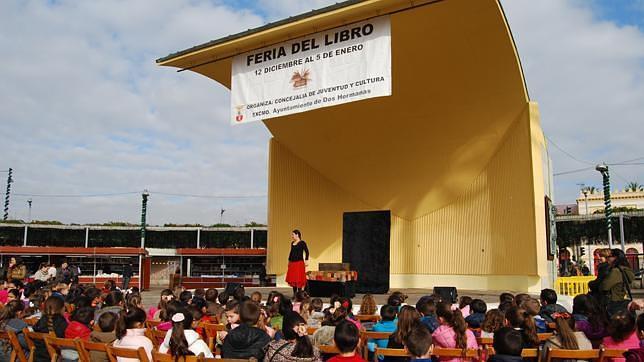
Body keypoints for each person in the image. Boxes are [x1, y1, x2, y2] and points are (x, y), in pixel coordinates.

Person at [33, 296, 68, 362]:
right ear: (62, 308)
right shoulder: (61, 323)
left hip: (38, 356)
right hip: (53, 357)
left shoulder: (41, 321)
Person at [601, 249, 635, 316]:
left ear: (615, 258)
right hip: (621, 299)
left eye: (609, 256)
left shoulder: (616, 271)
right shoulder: (625, 269)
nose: (607, 258)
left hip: (613, 302)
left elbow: (604, 286)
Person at [287, 229, 309, 296]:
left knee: (298, 279)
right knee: (293, 279)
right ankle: (294, 294)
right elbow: (291, 253)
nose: (292, 236)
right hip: (292, 263)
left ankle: (299, 295)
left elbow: (307, 251)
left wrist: (306, 260)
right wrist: (289, 261)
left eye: (293, 234)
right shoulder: (292, 243)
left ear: (297, 235)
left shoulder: (302, 243)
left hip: (299, 263)